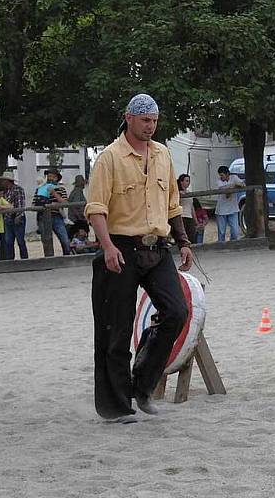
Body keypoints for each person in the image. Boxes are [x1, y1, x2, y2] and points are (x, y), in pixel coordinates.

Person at [85, 93, 193, 419]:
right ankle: (116, 407)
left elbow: (173, 205)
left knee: (177, 311)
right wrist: (107, 247)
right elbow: (96, 208)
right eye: (145, 120)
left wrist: (184, 242)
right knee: (115, 329)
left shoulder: (163, 155)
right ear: (129, 118)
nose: (151, 126)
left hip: (156, 247)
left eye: (155, 121)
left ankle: (143, 383)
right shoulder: (109, 158)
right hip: (120, 247)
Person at [35, 169, 71, 255]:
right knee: (46, 242)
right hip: (43, 217)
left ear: (57, 179)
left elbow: (66, 203)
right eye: (49, 176)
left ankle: (67, 258)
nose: (50, 178)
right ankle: (50, 261)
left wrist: (54, 193)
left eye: (53, 177)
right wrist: (43, 205)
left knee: (65, 240)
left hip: (57, 217)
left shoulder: (61, 189)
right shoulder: (40, 189)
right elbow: (34, 205)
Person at [0, 173, 28, 260]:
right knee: (8, 241)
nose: (2, 182)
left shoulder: (17, 189)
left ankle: (24, 260)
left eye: (3, 180)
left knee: (20, 241)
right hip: (8, 218)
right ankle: (10, 260)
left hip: (17, 217)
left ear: (7, 181)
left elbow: (20, 204)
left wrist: (18, 216)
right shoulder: (5, 191)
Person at [215, 166, 245, 242]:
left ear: (227, 174)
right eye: (220, 175)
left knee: (235, 231)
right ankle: (221, 246)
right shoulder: (219, 180)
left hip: (233, 208)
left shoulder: (234, 177)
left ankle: (232, 244)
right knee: (221, 232)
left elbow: (242, 184)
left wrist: (233, 185)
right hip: (221, 209)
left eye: (222, 175)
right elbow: (222, 189)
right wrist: (233, 185)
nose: (221, 177)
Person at [177, 174, 197, 245]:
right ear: (181, 182)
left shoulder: (189, 193)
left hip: (189, 216)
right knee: (183, 235)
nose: (188, 182)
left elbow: (192, 207)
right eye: (186, 181)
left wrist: (195, 220)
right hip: (182, 215)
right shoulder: (177, 192)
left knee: (192, 235)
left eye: (189, 181)